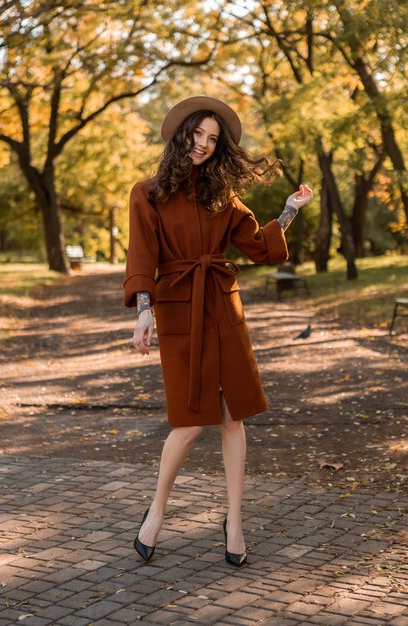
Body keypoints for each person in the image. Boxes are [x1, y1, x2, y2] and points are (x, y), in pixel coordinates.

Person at [123, 95, 313, 567]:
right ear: (181, 133)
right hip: (177, 307)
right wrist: (143, 309)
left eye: (212, 139)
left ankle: (233, 519)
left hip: (223, 305)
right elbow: (142, 256)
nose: (204, 145)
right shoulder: (145, 193)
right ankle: (157, 511)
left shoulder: (221, 196)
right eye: (198, 134)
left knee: (233, 416)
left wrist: (288, 210)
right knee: (188, 423)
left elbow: (258, 248)